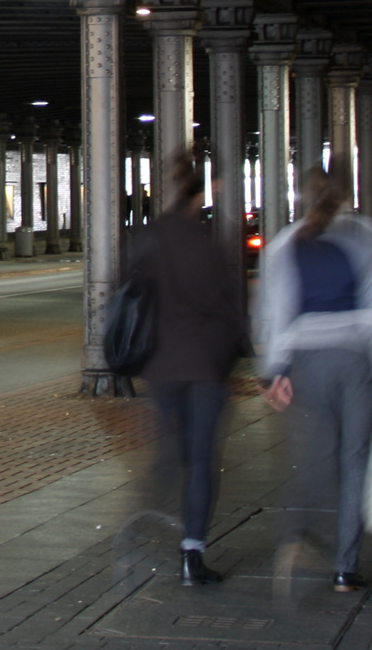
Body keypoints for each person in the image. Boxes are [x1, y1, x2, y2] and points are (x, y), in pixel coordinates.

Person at [260, 160, 372, 594]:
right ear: (347, 193)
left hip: (307, 363)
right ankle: (346, 568)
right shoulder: (367, 235)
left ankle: (296, 536)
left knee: (314, 458)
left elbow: (276, 312)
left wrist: (276, 372)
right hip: (355, 361)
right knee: (355, 462)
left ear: (303, 196)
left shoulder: (285, 244)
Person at [123, 153, 247, 586]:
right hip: (205, 365)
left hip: (162, 363)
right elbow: (229, 307)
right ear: (205, 192)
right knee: (200, 459)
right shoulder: (210, 240)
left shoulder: (151, 235)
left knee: (170, 450)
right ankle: (192, 553)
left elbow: (131, 287)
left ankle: (142, 518)